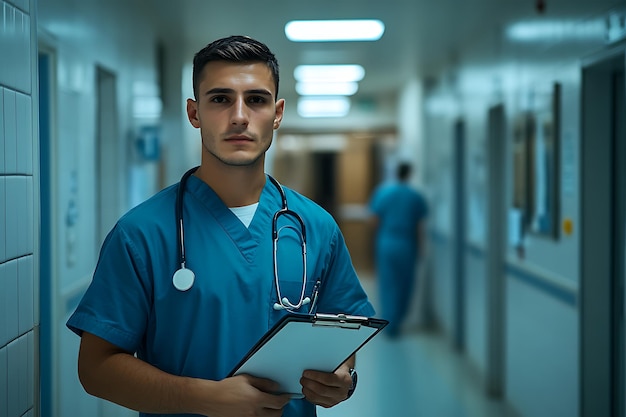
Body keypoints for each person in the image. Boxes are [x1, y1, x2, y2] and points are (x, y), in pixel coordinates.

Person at [67, 35, 375, 417]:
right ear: (194, 113)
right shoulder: (141, 233)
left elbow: (344, 344)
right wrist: (201, 398)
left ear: (277, 114)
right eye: (220, 99)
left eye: (257, 100)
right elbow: (96, 369)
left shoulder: (317, 228)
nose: (240, 116)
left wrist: (342, 380)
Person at [369, 162, 428, 337]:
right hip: (406, 244)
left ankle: (389, 320)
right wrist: (421, 248)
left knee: (388, 283)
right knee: (405, 283)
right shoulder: (415, 196)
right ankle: (398, 319)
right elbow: (419, 226)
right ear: (409, 174)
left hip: (387, 242)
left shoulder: (383, 193)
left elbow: (373, 220)